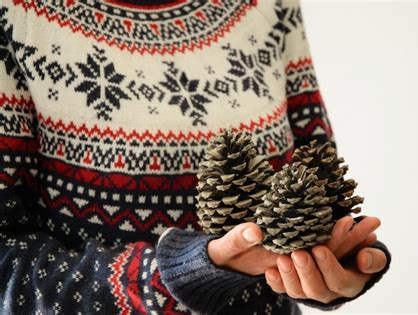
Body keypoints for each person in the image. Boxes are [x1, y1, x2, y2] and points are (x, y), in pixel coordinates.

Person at [0, 0, 391, 314]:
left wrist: (340, 266)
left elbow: (318, 188)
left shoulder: (269, 7)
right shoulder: (16, 14)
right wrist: (181, 275)